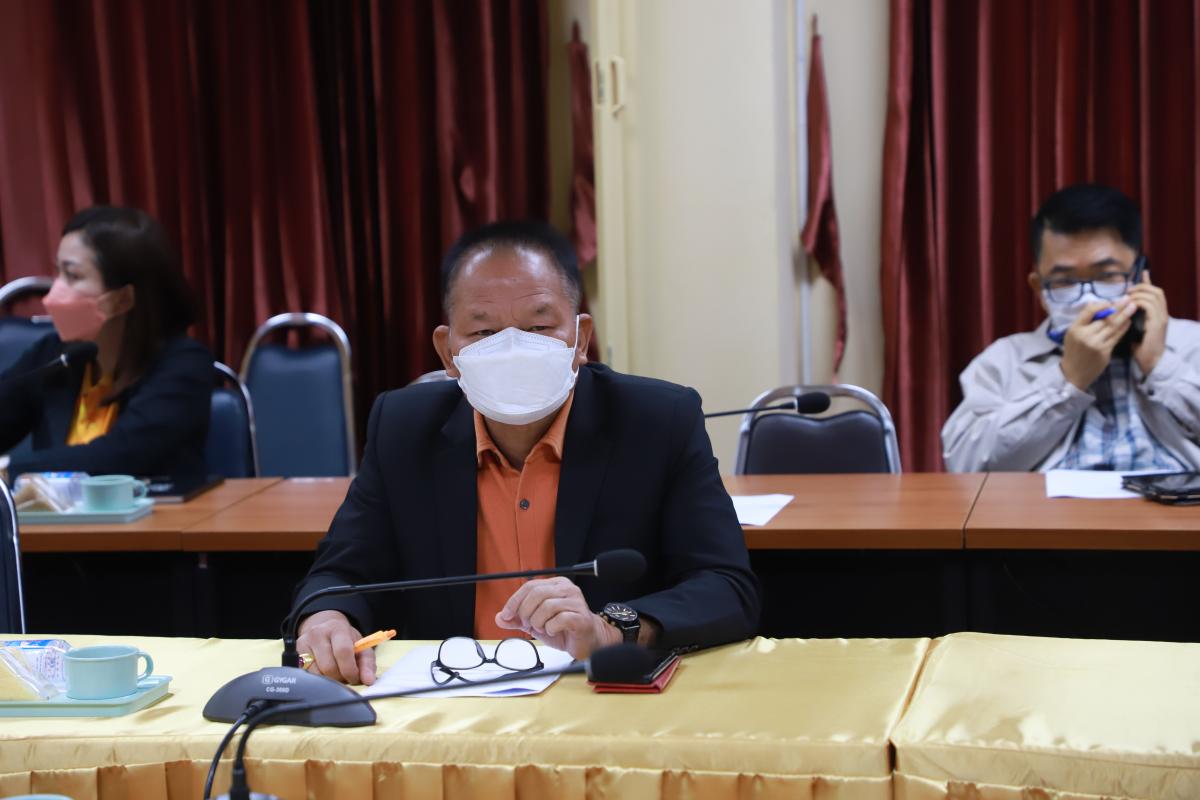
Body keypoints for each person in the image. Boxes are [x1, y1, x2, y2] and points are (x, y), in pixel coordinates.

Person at [295, 220, 760, 685]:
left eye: (539, 327)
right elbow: (338, 573)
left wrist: (610, 629)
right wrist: (327, 618)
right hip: (450, 699)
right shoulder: (404, 428)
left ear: (580, 339)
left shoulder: (658, 421)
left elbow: (726, 587)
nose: (513, 349)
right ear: (447, 353)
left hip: (598, 695)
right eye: (484, 332)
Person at [942, 184, 1200, 472]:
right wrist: (1068, 380)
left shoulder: (1193, 344)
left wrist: (1160, 366)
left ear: (1140, 275)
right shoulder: (1003, 361)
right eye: (1064, 281)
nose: (1087, 298)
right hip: (1046, 503)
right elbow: (965, 466)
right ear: (1039, 288)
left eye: (1107, 275)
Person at [0, 205, 212, 486]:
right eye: (57, 272)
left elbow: (117, 457)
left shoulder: (183, 366)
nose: (55, 291)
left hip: (152, 514)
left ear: (122, 299)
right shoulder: (54, 354)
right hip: (54, 516)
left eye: (73, 275)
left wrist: (8, 470)